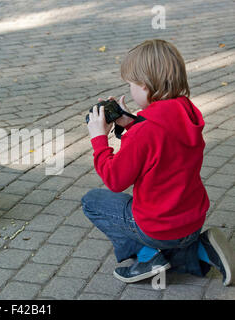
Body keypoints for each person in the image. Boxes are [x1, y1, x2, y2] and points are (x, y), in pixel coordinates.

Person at [82, 39, 235, 285]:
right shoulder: (187, 110)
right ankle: (201, 248)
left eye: (131, 84)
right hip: (191, 221)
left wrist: (99, 139)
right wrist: (131, 124)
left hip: (159, 228)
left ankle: (149, 257)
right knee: (176, 237)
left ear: (144, 85)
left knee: (92, 201)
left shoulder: (146, 131)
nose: (130, 89)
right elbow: (162, 145)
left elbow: (115, 179)